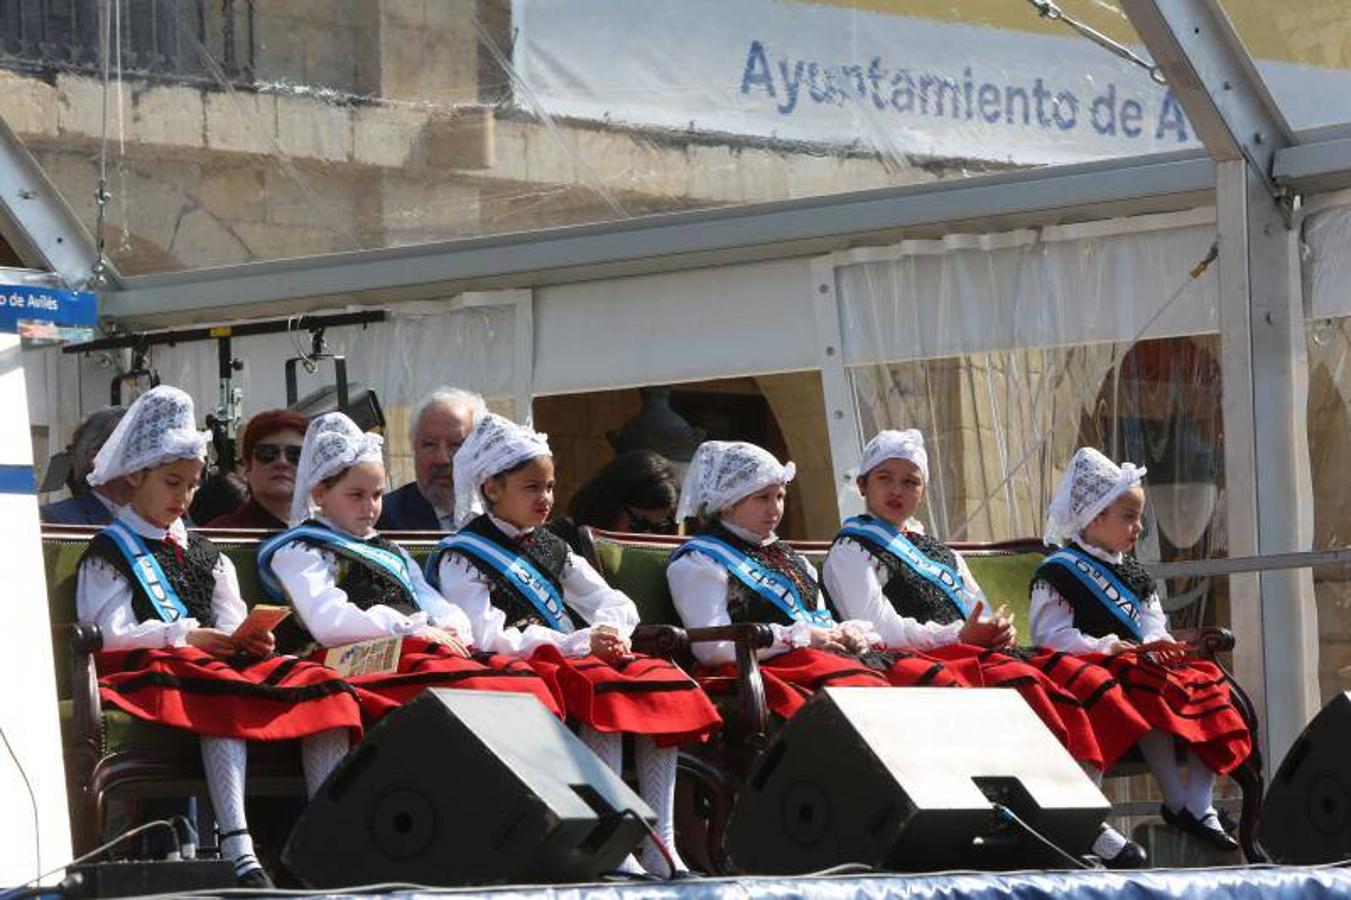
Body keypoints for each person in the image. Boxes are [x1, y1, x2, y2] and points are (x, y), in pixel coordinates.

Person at [823, 429, 1153, 867]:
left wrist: (997, 630)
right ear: (863, 485)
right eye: (886, 478)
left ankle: (1080, 812)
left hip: (964, 650)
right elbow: (880, 630)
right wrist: (959, 637)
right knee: (1017, 683)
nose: (898, 490)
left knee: (1079, 679)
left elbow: (977, 608)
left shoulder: (941, 553)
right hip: (905, 660)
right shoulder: (852, 548)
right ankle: (1061, 820)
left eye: (910, 481)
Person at [75, 386, 362, 887]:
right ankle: (237, 844)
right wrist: (187, 636)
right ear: (135, 475)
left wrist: (248, 638)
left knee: (324, 686)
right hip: (149, 668)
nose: (183, 498)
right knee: (220, 685)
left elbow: (229, 620)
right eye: (171, 483)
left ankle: (325, 841)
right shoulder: (109, 551)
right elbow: (111, 634)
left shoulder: (207, 552)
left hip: (207, 663)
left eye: (191, 485)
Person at [426, 414, 722, 877]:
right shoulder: (464, 553)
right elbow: (487, 634)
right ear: (491, 488)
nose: (545, 498)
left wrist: (612, 631)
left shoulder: (550, 546)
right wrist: (580, 642)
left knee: (656, 682)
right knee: (602, 689)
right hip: (522, 661)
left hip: (573, 654)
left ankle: (660, 841)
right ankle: (612, 842)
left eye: (549, 486)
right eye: (531, 487)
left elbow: (610, 599)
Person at [257, 412, 561, 724]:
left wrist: (450, 625)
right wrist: (409, 627)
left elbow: (427, 597)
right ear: (320, 493)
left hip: (409, 645)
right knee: (461, 683)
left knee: (515, 679)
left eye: (377, 495)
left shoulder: (391, 551)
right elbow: (328, 621)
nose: (370, 507)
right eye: (356, 495)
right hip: (338, 657)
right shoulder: (300, 549)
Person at [1031, 447, 1252, 854]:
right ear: (1095, 517)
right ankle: (1173, 795)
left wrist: (1157, 645)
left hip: (1139, 660)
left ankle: (1197, 801)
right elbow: (1049, 634)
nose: (1138, 528)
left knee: (1204, 678)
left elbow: (1153, 623)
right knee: (1143, 684)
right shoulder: (1059, 570)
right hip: (1093, 664)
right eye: (1129, 518)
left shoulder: (1134, 572)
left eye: (1139, 518)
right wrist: (1109, 645)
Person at [666, 440, 967, 724]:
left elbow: (820, 620)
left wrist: (846, 634)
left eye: (780, 497)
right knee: (869, 696)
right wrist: (800, 637)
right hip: (758, 670)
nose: (775, 510)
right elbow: (711, 647)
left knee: (925, 680)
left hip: (813, 660)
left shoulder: (792, 558)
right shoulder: (701, 561)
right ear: (727, 503)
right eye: (763, 498)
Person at [377, 387, 485, 531]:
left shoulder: (506, 515)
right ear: (414, 449)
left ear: (480, 450)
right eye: (429, 445)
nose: (442, 459)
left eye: (455, 445)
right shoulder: (382, 519)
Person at [550, 450, 681, 554]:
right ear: (610, 507)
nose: (648, 539)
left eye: (660, 528)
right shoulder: (554, 547)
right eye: (639, 525)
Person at [207, 409, 309, 530]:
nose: (282, 462)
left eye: (296, 455)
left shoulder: (330, 535)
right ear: (248, 466)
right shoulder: (219, 535)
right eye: (267, 453)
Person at [40, 406, 131, 525]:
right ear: (98, 460)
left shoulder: (156, 522)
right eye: (134, 450)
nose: (147, 460)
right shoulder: (54, 520)